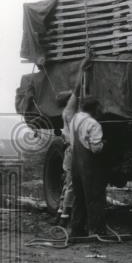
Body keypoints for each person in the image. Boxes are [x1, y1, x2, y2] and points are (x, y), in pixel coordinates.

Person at [65, 61, 113, 239]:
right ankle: (97, 231)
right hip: (90, 166)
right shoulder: (94, 124)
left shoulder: (75, 119)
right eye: (98, 108)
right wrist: (106, 145)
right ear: (94, 109)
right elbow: (96, 149)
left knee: (79, 198)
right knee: (95, 197)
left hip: (76, 165)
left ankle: (76, 230)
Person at [54, 90, 78, 227]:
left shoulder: (66, 115)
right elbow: (75, 94)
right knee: (71, 184)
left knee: (67, 183)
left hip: (69, 149)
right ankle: (65, 216)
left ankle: (59, 212)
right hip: (72, 150)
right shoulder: (69, 113)